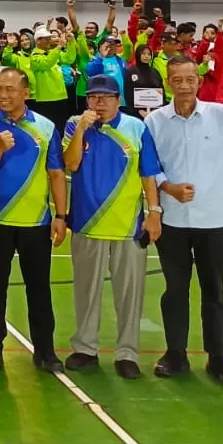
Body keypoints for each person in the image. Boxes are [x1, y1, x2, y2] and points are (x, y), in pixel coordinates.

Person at [145, 55, 223, 387]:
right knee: (175, 290)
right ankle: (176, 354)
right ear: (168, 83)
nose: (184, 85)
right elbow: (147, 167)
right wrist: (168, 187)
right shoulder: (155, 122)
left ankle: (218, 357)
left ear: (198, 82)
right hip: (172, 221)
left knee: (214, 291)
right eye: (177, 80)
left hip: (214, 220)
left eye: (190, 79)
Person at [62, 74, 163, 379]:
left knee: (130, 294)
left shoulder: (136, 128)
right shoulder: (74, 125)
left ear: (118, 100)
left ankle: (127, 353)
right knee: (86, 291)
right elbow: (71, 163)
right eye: (93, 97)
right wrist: (81, 128)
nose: (99, 103)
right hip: (86, 222)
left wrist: (154, 211)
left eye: (106, 98)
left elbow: (148, 174)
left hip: (128, 226)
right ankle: (85, 348)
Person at [0, 66, 67, 373]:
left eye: (10, 89)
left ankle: (45, 350)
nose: (2, 95)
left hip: (36, 221)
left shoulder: (47, 127)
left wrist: (61, 215)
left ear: (26, 93)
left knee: (39, 287)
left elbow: (56, 173)